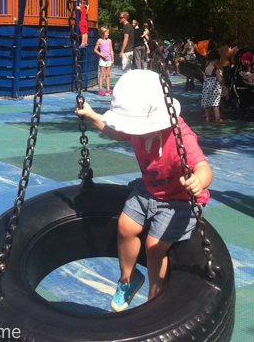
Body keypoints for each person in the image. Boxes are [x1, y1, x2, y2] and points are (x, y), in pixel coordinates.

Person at [75, 70, 212, 310]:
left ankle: (155, 299)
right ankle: (127, 279)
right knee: (125, 227)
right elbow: (116, 133)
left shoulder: (181, 137)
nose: (133, 132)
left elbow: (203, 166)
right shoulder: (140, 128)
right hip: (148, 191)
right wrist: (93, 116)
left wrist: (199, 181)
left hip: (179, 201)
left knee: (154, 247)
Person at [201, 49, 226, 123]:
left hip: (207, 88)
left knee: (208, 103)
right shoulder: (215, 70)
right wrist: (223, 83)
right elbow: (220, 79)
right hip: (215, 89)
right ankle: (217, 118)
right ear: (216, 60)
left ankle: (207, 117)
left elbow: (204, 78)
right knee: (215, 103)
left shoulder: (206, 68)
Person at [95, 27, 114, 96]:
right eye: (106, 33)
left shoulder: (110, 41)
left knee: (108, 74)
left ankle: (108, 89)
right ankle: (100, 89)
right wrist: (102, 55)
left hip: (108, 59)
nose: (108, 34)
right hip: (102, 60)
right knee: (102, 74)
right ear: (103, 33)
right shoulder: (99, 41)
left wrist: (112, 59)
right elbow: (95, 50)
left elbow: (111, 50)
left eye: (108, 33)